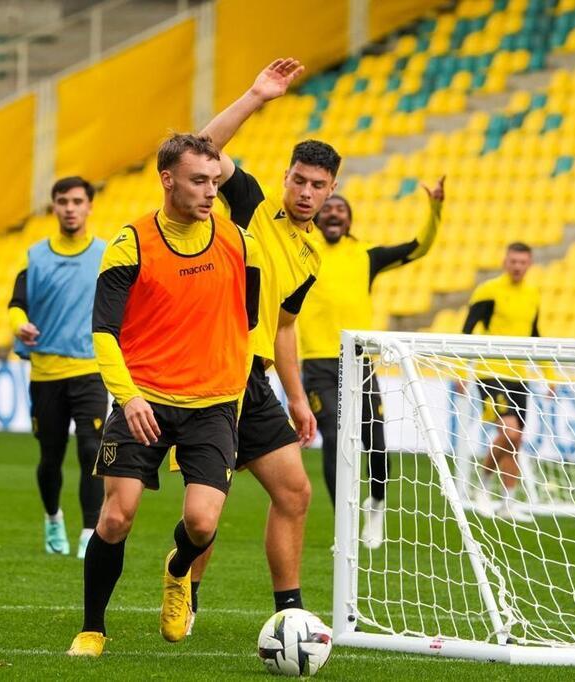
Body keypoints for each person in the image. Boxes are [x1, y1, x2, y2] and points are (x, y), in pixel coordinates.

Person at [66, 133, 262, 657]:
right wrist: (128, 397)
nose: (210, 192)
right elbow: (104, 331)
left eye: (215, 181)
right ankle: (93, 628)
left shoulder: (238, 241)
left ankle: (177, 571)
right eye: (199, 181)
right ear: (167, 180)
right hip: (143, 399)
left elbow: (251, 319)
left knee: (202, 522)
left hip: (214, 404)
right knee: (115, 517)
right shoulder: (131, 243)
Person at [188, 58, 333, 627]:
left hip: (256, 377)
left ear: (331, 190)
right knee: (208, 508)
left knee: (294, 493)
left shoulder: (310, 253)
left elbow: (285, 325)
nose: (305, 191)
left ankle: (289, 614)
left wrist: (297, 398)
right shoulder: (252, 206)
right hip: (214, 371)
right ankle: (188, 591)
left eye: (317, 185)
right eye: (298, 179)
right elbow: (198, 149)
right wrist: (256, 95)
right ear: (286, 178)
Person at [299, 186, 444, 549]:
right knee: (333, 438)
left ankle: (375, 504)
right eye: (328, 207)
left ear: (349, 220)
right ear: (316, 215)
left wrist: (435, 207)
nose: (334, 213)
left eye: (341, 209)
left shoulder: (366, 255)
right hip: (318, 363)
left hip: (361, 363)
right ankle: (344, 525)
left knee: (375, 443)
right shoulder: (301, 250)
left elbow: (418, 247)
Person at [8, 176, 107, 559]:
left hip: (90, 370)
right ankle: (53, 517)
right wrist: (19, 323)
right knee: (50, 456)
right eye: (63, 201)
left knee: (90, 449)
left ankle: (88, 532)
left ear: (89, 206)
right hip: (46, 373)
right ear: (54, 207)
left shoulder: (105, 254)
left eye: (77, 201)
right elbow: (16, 302)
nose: (70, 208)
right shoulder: (35, 257)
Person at [461, 242, 546, 522]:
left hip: (519, 376)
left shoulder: (533, 294)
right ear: (504, 262)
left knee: (516, 441)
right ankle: (482, 485)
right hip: (491, 371)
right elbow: (467, 330)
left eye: (523, 262)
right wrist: (462, 372)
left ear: (530, 264)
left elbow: (534, 334)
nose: (517, 267)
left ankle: (508, 502)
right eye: (513, 261)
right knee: (510, 433)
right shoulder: (489, 291)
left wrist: (549, 374)